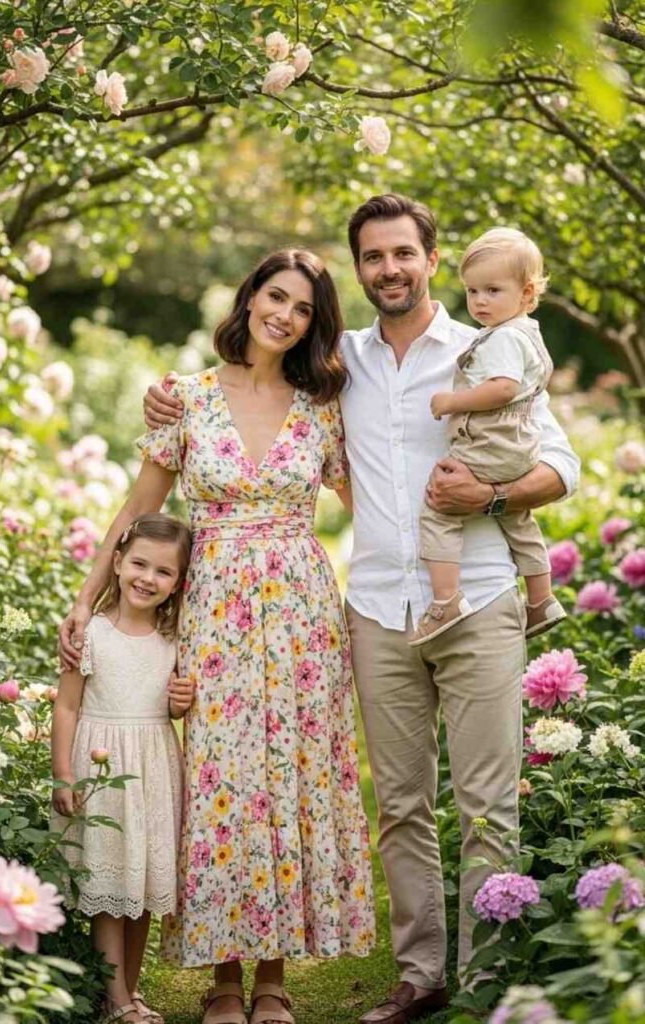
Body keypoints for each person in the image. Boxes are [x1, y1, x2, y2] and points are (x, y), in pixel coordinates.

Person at [143, 196, 579, 1024]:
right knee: (402, 806)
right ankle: (419, 976)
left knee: (488, 803)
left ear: (429, 257)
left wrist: (488, 493)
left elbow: (559, 463)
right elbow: (249, 384)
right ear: (360, 268)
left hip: (476, 595)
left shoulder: (487, 347)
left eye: (403, 254)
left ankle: (486, 983)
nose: (389, 269)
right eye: (373, 257)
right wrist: (163, 404)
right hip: (378, 608)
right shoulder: (338, 364)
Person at [59, 249, 375, 1024]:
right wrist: (85, 597)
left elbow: (372, 495)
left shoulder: (322, 404)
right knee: (220, 785)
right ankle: (223, 979)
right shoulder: (188, 399)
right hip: (213, 611)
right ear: (249, 298)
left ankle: (273, 979)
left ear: (314, 324)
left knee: (286, 780)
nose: (285, 316)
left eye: (302, 309)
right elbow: (138, 509)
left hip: (300, 612)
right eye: (275, 297)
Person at [51, 513, 192, 1024]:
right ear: (116, 562)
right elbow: (66, 706)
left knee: (142, 892)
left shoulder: (175, 638)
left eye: (163, 572)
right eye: (138, 564)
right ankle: (116, 999)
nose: (147, 578)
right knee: (111, 895)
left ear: (178, 583)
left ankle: (128, 993)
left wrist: (180, 703)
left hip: (154, 772)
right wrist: (63, 773)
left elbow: (170, 706)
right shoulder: (90, 634)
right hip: (101, 772)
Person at [409, 227, 566, 646]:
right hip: (519, 450)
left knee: (439, 509)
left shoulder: (504, 339)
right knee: (518, 518)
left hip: (492, 445)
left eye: (492, 290)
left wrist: (452, 401)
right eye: (472, 291)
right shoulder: (528, 332)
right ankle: (541, 598)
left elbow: (502, 389)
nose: (479, 302)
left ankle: (446, 600)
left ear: (527, 292)